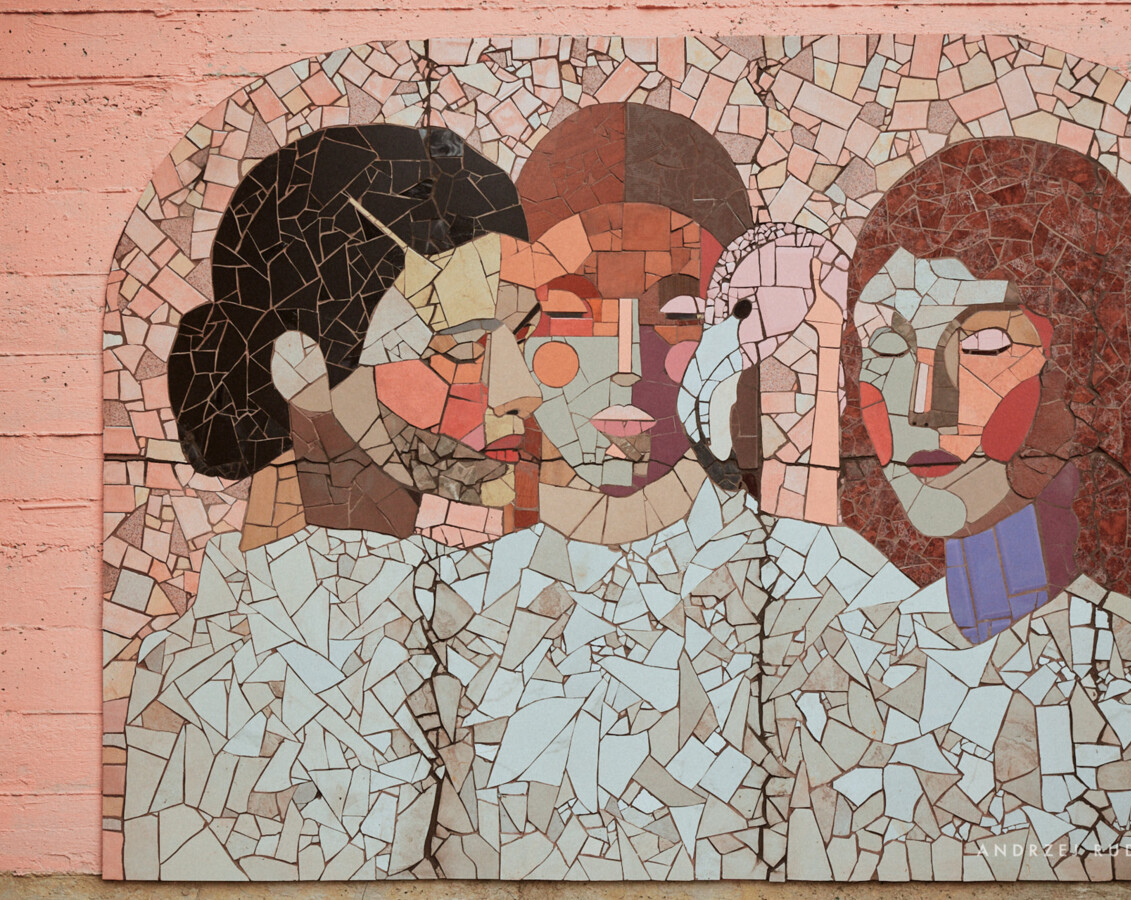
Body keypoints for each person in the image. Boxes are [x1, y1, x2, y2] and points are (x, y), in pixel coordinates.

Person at [694, 139, 1131, 880]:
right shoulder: (833, 656)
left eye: (984, 344)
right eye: (886, 345)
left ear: (1085, 367)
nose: (922, 407)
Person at [121, 125, 541, 880]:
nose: (520, 391)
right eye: (462, 347)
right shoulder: (209, 688)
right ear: (305, 372)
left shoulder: (493, 631)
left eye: (522, 336)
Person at [420, 102, 776, 880]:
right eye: (570, 309)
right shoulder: (441, 581)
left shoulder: (785, 585)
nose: (623, 362)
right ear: (520, 329)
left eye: (676, 312)